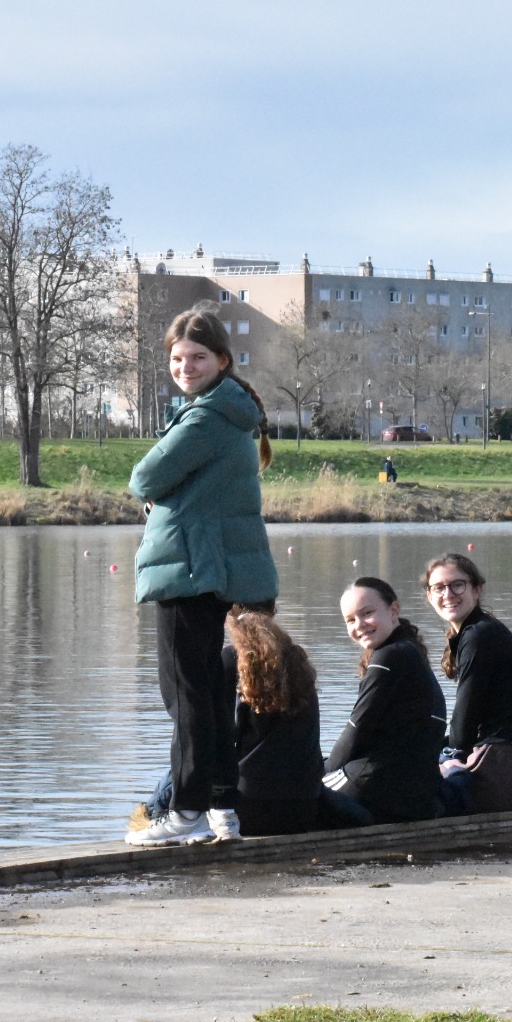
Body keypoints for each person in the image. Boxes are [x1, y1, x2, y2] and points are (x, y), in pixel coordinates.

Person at [125, 305, 279, 848]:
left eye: (196, 357)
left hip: (191, 566)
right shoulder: (230, 412)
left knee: (185, 692)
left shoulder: (204, 417)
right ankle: (221, 808)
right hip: (217, 564)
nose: (185, 366)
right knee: (212, 692)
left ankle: (185, 808)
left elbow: (144, 474)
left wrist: (159, 499)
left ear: (221, 360)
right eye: (177, 358)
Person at [131, 603, 327, 839]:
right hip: (302, 809)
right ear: (273, 611)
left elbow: (211, 738)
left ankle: (154, 815)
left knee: (182, 769)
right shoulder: (298, 663)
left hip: (246, 810)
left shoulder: (230, 660)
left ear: (225, 618)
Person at [422, 553, 512, 813]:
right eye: (439, 588)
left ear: (476, 590)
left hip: (506, 774)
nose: (448, 594)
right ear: (429, 596)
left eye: (457, 585)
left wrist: (451, 755)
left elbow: (466, 711)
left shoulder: (478, 635)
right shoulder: (483, 630)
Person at [326, 577, 447, 824]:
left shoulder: (388, 657)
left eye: (367, 613)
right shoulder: (410, 652)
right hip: (417, 797)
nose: (359, 625)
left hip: (377, 789)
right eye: (350, 620)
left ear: (394, 610)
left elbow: (355, 730)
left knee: (301, 790)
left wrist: (323, 770)